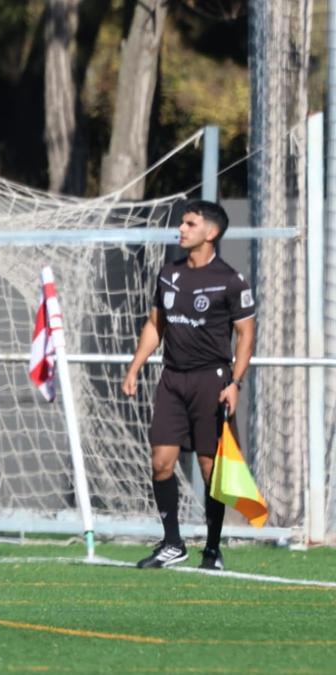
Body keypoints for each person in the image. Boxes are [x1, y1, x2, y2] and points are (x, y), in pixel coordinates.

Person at [122, 199, 255, 571]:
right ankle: (172, 543)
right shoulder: (169, 273)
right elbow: (155, 325)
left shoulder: (230, 279)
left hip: (210, 381)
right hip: (171, 380)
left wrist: (236, 382)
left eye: (190, 224)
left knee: (211, 469)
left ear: (210, 233)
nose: (181, 229)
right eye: (182, 223)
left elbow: (245, 335)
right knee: (161, 462)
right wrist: (134, 367)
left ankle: (212, 550)